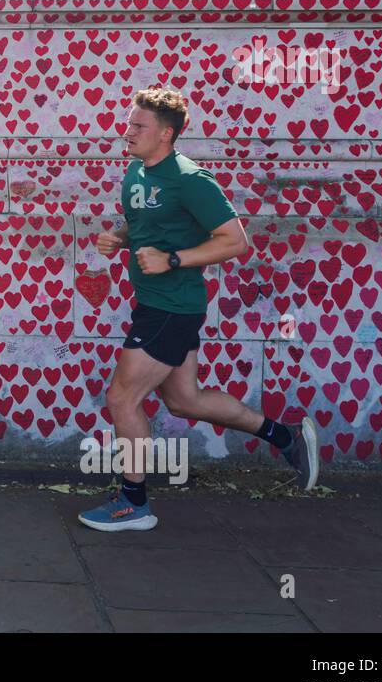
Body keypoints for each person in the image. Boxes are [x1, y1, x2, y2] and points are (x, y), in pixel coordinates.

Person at [78, 87, 319, 532]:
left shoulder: (191, 179)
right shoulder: (136, 172)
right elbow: (147, 221)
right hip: (157, 304)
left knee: (122, 399)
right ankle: (285, 437)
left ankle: (134, 504)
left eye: (138, 127)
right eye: (129, 123)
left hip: (172, 306)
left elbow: (234, 240)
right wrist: (120, 237)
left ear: (166, 135)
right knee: (184, 399)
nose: (126, 132)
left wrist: (172, 260)